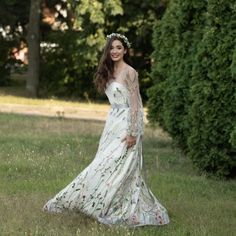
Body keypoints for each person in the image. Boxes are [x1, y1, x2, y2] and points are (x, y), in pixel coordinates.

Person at [43, 33, 170, 227]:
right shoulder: (108, 71)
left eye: (119, 48)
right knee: (102, 165)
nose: (115, 51)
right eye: (111, 48)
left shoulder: (130, 72)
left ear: (125, 50)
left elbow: (136, 105)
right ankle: (92, 202)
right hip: (112, 123)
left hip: (127, 123)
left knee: (121, 166)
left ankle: (119, 207)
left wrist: (133, 132)